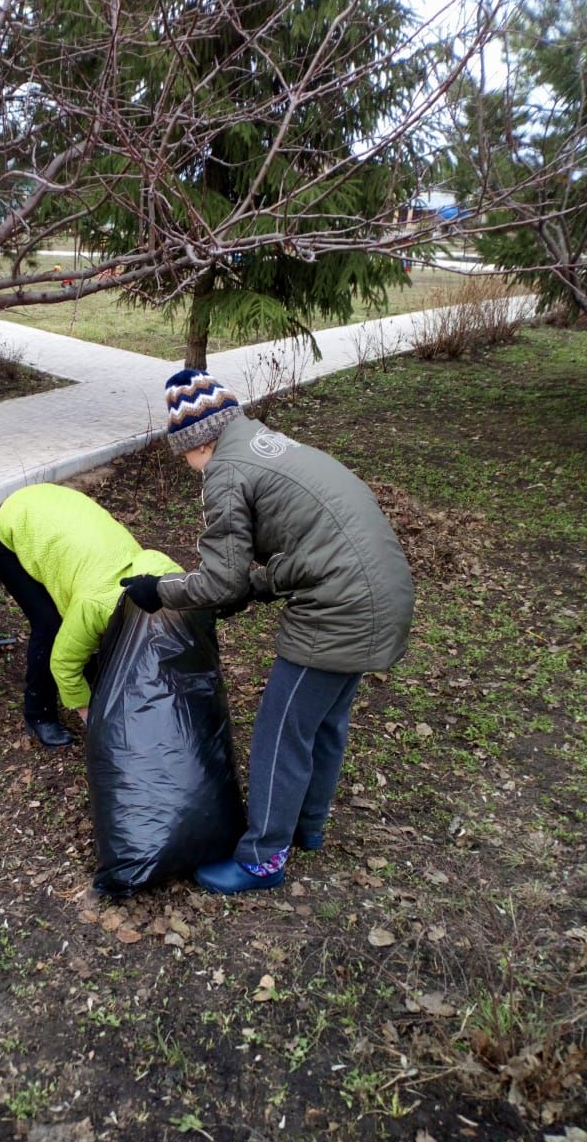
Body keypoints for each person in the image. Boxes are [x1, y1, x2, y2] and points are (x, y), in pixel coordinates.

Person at [121, 369, 414, 894]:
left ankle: (263, 859)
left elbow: (220, 580)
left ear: (199, 441)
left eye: (184, 455)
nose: (189, 467)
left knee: (280, 733)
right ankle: (308, 827)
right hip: (381, 591)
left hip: (340, 607)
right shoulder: (267, 444)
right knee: (321, 722)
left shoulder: (226, 470)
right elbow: (298, 558)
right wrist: (248, 590)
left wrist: (159, 591)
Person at [0, 483, 180, 748]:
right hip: (14, 525)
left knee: (80, 632)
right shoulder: (96, 606)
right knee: (50, 626)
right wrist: (90, 716)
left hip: (56, 509)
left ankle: (90, 672)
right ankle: (38, 714)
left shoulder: (160, 574)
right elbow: (63, 663)